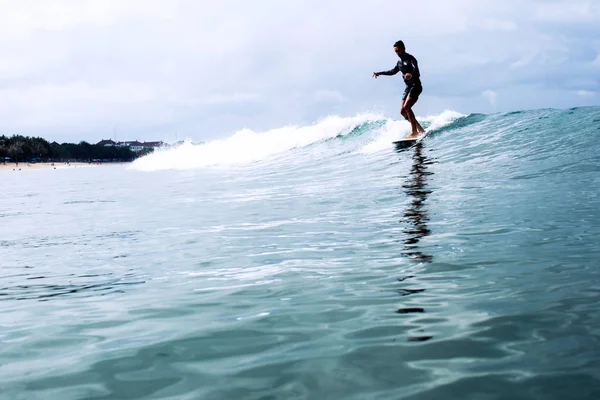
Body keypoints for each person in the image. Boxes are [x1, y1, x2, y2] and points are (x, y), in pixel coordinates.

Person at [373, 40, 425, 139]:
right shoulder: (399, 62)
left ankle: (414, 132)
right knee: (402, 111)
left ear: (403, 48)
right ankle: (420, 130)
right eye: (396, 51)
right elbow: (393, 71)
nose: (397, 53)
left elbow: (417, 70)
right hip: (408, 87)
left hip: (416, 85)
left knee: (407, 107)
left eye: (398, 50)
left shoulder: (411, 58)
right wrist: (379, 73)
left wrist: (411, 74)